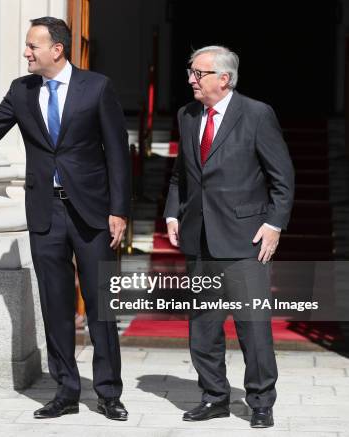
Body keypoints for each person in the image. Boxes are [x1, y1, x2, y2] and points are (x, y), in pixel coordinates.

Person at [0, 17, 130, 421]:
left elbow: (116, 151)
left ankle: (109, 392)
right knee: (55, 303)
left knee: (100, 305)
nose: (26, 52)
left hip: (93, 212)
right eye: (27, 45)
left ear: (56, 49)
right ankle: (66, 390)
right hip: (46, 211)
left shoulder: (96, 88)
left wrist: (119, 210)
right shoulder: (22, 91)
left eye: (32, 45)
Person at [164, 46, 294, 428]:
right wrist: (173, 211)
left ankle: (260, 401)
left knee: (252, 326)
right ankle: (214, 396)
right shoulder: (187, 115)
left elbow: (282, 178)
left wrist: (274, 224)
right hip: (199, 237)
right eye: (191, 72)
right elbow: (180, 174)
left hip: (244, 238)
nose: (191, 79)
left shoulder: (256, 114)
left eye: (198, 73)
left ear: (224, 78)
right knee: (203, 323)